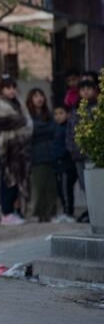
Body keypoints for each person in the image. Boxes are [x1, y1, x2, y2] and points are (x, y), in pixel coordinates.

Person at [0, 77, 33, 226]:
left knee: (19, 179)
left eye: (13, 87)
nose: (12, 91)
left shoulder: (19, 103)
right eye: (8, 88)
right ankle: (6, 213)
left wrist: (22, 121)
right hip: (5, 147)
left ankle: (15, 211)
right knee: (8, 179)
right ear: (1, 89)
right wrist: (21, 121)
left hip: (20, 147)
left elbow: (28, 123)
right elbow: (7, 122)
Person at [66, 79, 99, 223]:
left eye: (89, 89)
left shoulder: (97, 109)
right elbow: (69, 131)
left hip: (92, 154)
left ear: (94, 91)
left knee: (95, 184)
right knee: (84, 185)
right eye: (82, 89)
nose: (85, 92)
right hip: (77, 154)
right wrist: (71, 148)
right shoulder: (75, 109)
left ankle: (97, 213)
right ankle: (91, 212)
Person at [26, 89, 56, 222]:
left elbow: (53, 129)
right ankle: (36, 213)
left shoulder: (48, 114)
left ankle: (50, 213)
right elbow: (32, 131)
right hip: (36, 155)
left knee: (51, 186)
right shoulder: (28, 116)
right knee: (38, 186)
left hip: (51, 154)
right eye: (36, 96)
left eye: (41, 95)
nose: (39, 99)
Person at [52, 106, 77, 223]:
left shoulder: (69, 127)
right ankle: (65, 211)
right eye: (56, 114)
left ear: (67, 114)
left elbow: (69, 144)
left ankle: (69, 212)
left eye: (61, 113)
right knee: (60, 189)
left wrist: (62, 155)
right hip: (58, 163)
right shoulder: (56, 127)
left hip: (67, 163)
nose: (58, 116)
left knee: (66, 189)